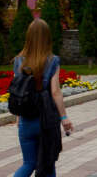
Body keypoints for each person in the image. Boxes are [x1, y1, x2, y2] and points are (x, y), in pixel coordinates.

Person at [13, 18, 74, 177]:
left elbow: (21, 91)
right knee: (48, 163)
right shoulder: (53, 60)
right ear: (47, 37)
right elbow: (55, 92)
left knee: (28, 163)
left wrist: (19, 116)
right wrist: (64, 117)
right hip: (46, 120)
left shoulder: (19, 60)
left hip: (26, 120)